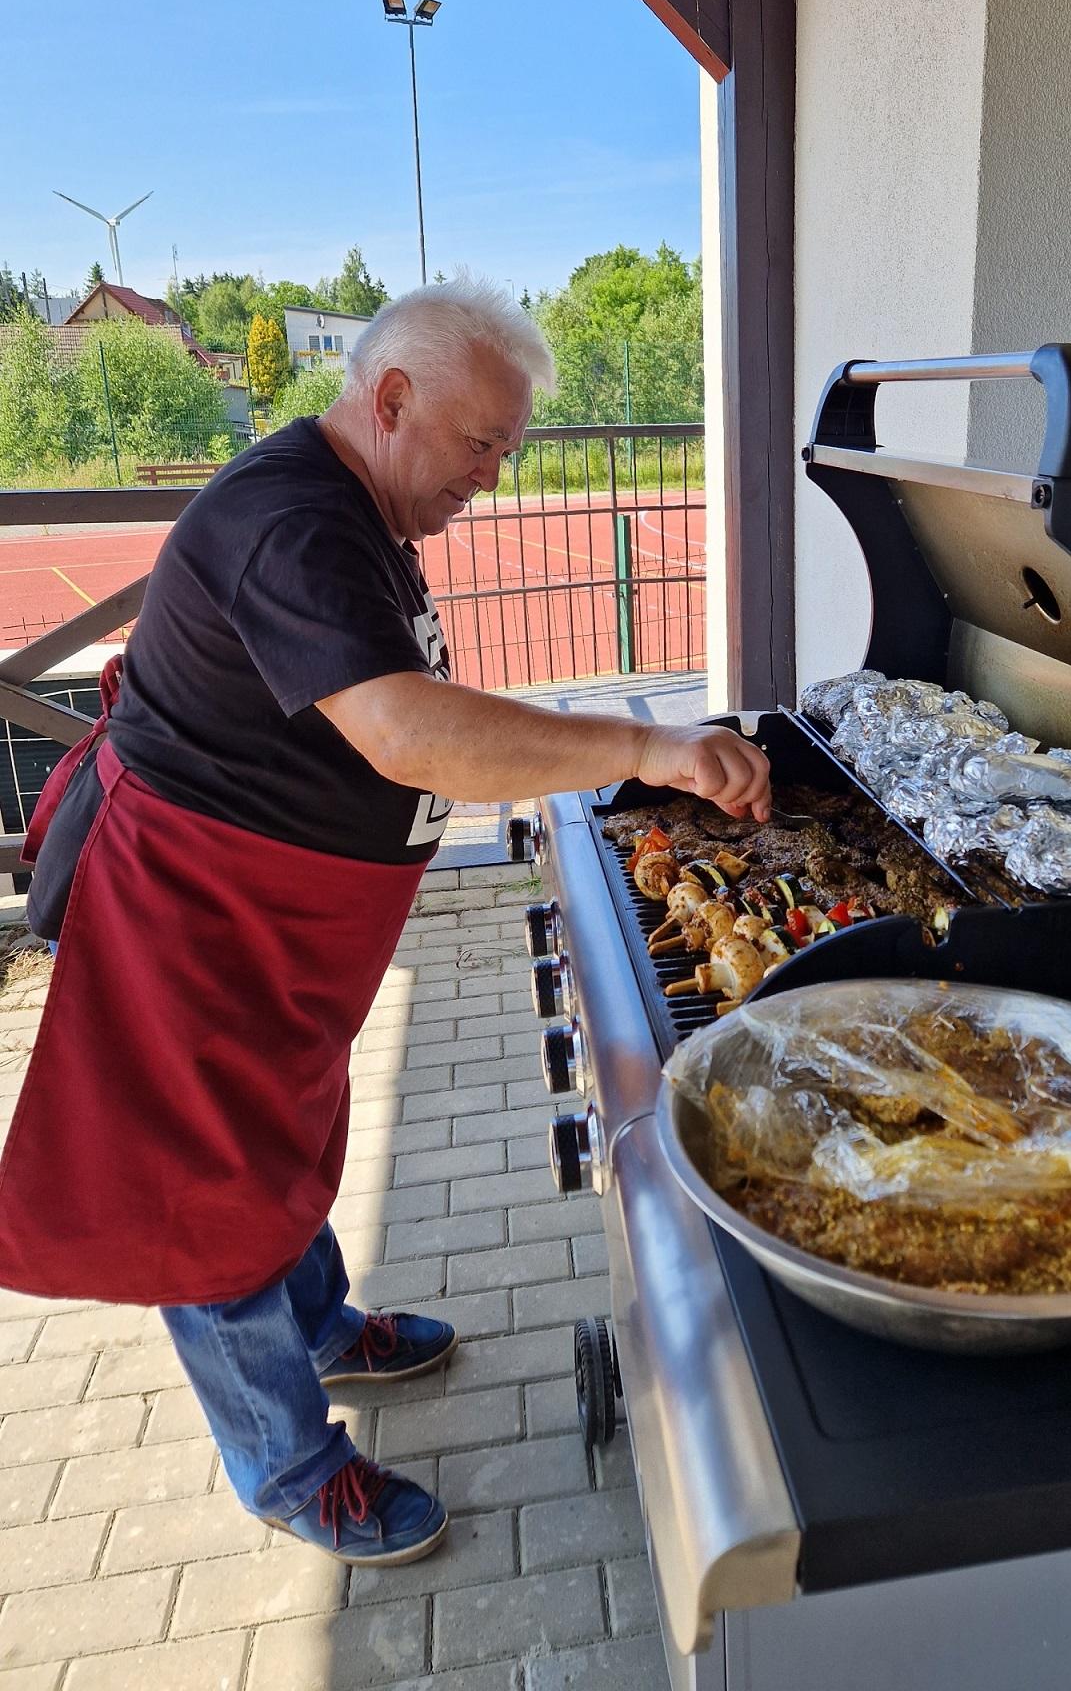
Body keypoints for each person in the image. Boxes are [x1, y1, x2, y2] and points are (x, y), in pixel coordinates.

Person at [0, 276, 770, 1567]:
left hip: (273, 922)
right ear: (393, 399)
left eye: (510, 450)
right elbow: (412, 734)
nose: (495, 476)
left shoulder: (358, 503)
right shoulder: (290, 526)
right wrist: (645, 743)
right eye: (483, 445)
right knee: (209, 1191)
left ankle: (318, 1320)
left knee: (284, 1127)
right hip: (182, 921)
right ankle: (290, 1465)